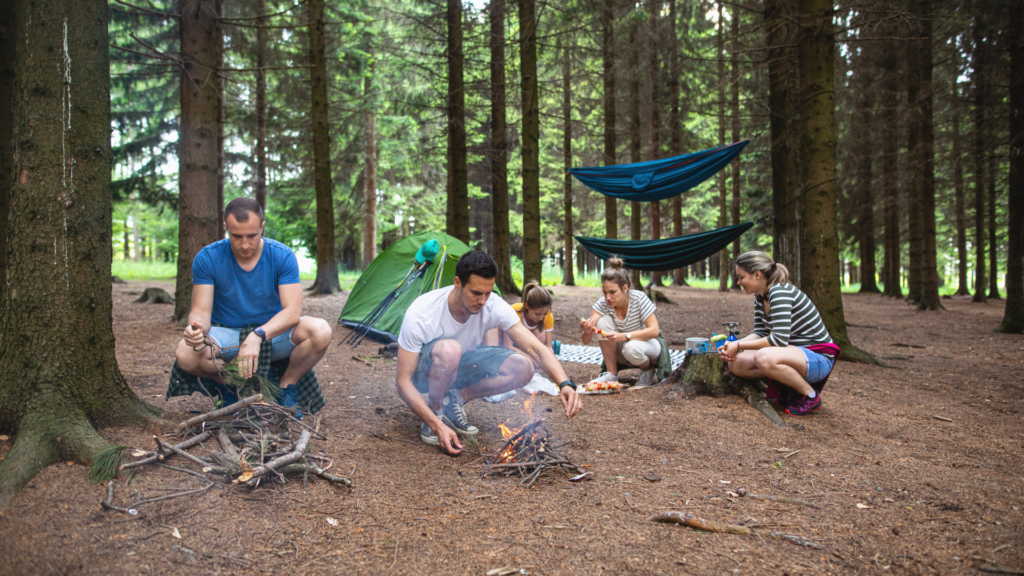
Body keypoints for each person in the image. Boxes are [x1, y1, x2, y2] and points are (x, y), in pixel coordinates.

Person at [395, 252, 583, 455]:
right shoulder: (422, 313)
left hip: (461, 365)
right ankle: (435, 410)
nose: (483, 301)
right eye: (476, 293)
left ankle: (454, 400)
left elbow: (537, 349)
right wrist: (436, 427)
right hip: (424, 374)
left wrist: (564, 384)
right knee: (451, 349)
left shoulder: (493, 304)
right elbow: (403, 381)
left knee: (524, 367)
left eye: (488, 293)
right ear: (457, 283)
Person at [175, 197, 333, 412]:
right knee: (185, 354)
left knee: (321, 330)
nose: (245, 244)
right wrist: (197, 329)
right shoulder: (207, 257)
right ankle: (228, 387)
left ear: (262, 227)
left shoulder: (282, 255)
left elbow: (293, 311)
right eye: (236, 236)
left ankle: (286, 387)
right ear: (226, 228)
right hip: (226, 335)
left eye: (252, 235)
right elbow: (201, 311)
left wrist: (257, 335)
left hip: (273, 334)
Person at [716, 251, 840, 416]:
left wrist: (739, 344)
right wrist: (733, 347)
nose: (738, 282)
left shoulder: (779, 292)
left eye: (741, 277)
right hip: (793, 355)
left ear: (758, 274)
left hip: (818, 358)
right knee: (737, 363)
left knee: (764, 357)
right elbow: (760, 332)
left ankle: (810, 395)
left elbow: (779, 339)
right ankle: (788, 389)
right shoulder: (760, 296)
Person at [579, 257, 662, 388]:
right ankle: (611, 374)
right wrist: (587, 329)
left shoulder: (639, 299)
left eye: (612, 292)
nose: (608, 297)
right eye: (604, 292)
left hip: (647, 347)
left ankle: (648, 369)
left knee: (631, 347)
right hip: (622, 350)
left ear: (624, 288)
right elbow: (585, 340)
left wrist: (624, 336)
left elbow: (654, 331)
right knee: (602, 321)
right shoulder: (602, 304)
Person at [495, 280, 554, 370]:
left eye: (544, 314)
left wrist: (551, 363)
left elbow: (548, 347)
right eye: (537, 314)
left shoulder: (547, 315)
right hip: (509, 346)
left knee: (541, 333)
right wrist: (534, 360)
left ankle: (530, 363)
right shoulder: (513, 312)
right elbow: (508, 346)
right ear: (527, 305)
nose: (541, 318)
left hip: (526, 347)